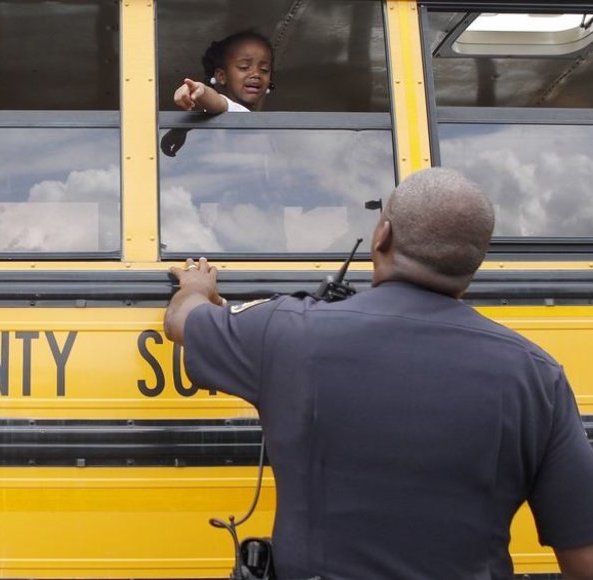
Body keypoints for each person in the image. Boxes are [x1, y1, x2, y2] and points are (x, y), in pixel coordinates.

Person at [163, 167, 593, 579]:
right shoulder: (537, 378)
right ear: (475, 259)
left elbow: (181, 321)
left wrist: (197, 287)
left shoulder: (290, 332)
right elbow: (583, 560)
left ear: (382, 235)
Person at [162, 30, 275, 157]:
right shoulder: (230, 108)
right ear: (221, 76)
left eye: (264, 70)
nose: (256, 74)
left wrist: (180, 130)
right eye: (244, 67)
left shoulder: (271, 127)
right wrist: (200, 90)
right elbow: (219, 104)